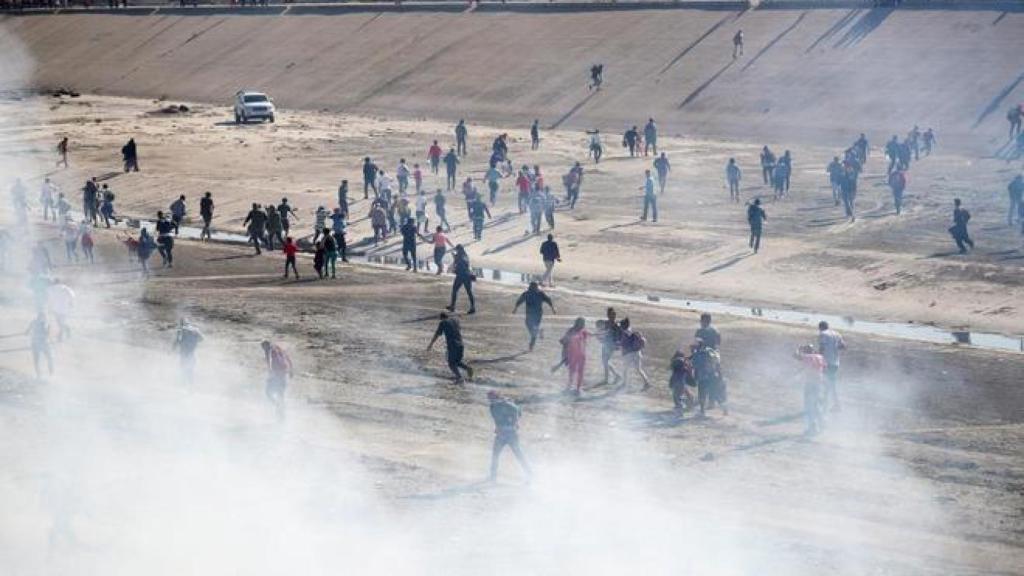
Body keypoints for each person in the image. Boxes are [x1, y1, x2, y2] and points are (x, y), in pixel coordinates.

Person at [487, 391, 530, 481]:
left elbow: (517, 412)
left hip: (508, 434)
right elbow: (518, 412)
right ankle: (492, 476)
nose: (490, 400)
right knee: (515, 454)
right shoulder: (496, 406)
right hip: (507, 434)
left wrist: (514, 421)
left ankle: (493, 476)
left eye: (491, 398)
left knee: (516, 454)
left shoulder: (500, 405)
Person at [427, 311, 474, 382]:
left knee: (451, 364)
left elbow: (437, 334)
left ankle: (459, 377)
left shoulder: (443, 322)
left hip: (453, 345)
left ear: (441, 318)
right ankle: (468, 369)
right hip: (461, 344)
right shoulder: (455, 321)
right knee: (457, 362)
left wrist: (430, 344)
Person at [512, 281, 556, 352]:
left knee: (531, 328)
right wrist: (553, 309)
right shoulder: (540, 293)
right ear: (536, 287)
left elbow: (519, 301)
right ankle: (532, 344)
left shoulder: (527, 293)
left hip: (530, 314)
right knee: (534, 330)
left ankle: (532, 344)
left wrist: (515, 309)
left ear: (530, 287)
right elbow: (549, 300)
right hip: (538, 315)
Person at [795, 344, 826, 435]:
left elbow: (795, 355)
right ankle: (822, 423)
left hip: (810, 384)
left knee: (809, 406)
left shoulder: (807, 357)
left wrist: (798, 348)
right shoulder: (820, 357)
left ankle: (813, 427)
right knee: (816, 404)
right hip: (819, 383)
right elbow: (824, 367)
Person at [691, 338, 726, 417]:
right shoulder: (710, 351)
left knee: (702, 394)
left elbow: (695, 367)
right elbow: (717, 363)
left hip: (703, 377)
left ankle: (702, 411)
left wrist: (695, 377)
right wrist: (719, 375)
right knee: (715, 393)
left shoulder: (697, 354)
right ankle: (724, 408)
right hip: (713, 376)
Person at [817, 321, 846, 413]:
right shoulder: (837, 334)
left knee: (827, 383)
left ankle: (834, 404)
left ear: (820, 328)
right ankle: (830, 403)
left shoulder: (823, 334)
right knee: (830, 383)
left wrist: (818, 358)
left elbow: (822, 348)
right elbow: (844, 346)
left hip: (826, 362)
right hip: (835, 363)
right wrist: (834, 349)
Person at [261, 340, 292, 420]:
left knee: (268, 393)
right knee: (281, 396)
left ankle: (278, 408)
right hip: (284, 375)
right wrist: (292, 370)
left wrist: (271, 373)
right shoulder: (279, 349)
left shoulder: (270, 351)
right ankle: (282, 417)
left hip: (277, 375)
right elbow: (288, 358)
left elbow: (270, 361)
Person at [618, 318, 651, 391]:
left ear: (623, 326)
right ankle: (647, 382)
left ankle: (624, 383)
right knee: (639, 369)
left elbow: (624, 345)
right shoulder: (632, 331)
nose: (620, 327)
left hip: (629, 354)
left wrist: (619, 345)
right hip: (637, 353)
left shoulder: (625, 333)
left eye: (621, 325)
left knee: (625, 369)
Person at [561, 317, 590, 394]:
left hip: (582, 355)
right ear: (577, 323)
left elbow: (587, 338)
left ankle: (578, 388)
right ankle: (569, 386)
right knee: (572, 371)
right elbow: (564, 343)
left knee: (580, 372)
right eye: (582, 323)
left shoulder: (583, 331)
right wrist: (564, 355)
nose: (583, 325)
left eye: (583, 324)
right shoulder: (571, 331)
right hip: (572, 355)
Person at [173, 318, 203, 385]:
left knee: (183, 369)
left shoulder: (181, 330)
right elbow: (201, 339)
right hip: (192, 354)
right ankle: (191, 387)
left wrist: (173, 349)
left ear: (181, 324)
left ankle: (183, 386)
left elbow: (177, 340)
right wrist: (193, 342)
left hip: (184, 354)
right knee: (190, 370)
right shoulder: (195, 330)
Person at [447, 245, 476, 314]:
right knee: (469, 292)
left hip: (461, 275)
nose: (456, 251)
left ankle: (453, 306)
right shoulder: (465, 255)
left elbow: (456, 262)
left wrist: (453, 256)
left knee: (454, 290)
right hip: (467, 275)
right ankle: (473, 307)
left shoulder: (459, 256)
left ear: (459, 250)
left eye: (457, 250)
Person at [598, 307, 622, 385]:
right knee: (605, 361)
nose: (613, 316)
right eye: (611, 315)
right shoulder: (608, 323)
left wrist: (617, 345)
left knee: (605, 361)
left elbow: (619, 336)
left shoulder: (615, 325)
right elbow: (601, 332)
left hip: (610, 345)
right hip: (606, 344)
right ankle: (615, 376)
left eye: (613, 315)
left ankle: (608, 378)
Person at [26, 313, 53, 380]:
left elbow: (27, 332)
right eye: (42, 318)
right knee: (40, 360)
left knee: (49, 358)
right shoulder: (42, 323)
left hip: (42, 343)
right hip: (38, 343)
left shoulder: (44, 323)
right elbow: (27, 331)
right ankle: (40, 374)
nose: (43, 319)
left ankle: (50, 373)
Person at [669, 349, 695, 413]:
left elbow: (671, 368)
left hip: (677, 382)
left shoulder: (675, 361)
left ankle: (682, 407)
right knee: (680, 396)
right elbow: (689, 371)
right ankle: (684, 407)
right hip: (681, 382)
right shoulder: (684, 362)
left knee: (678, 396)